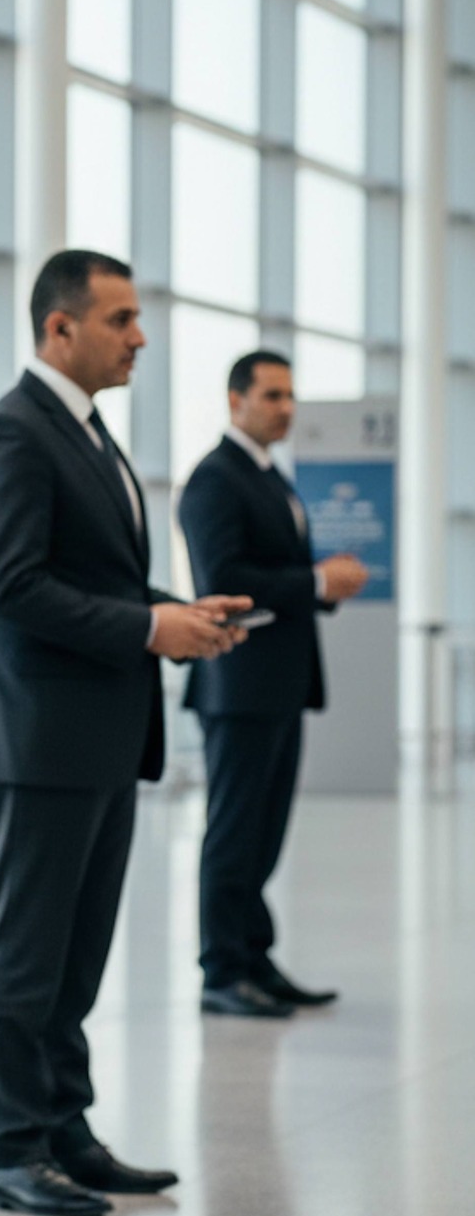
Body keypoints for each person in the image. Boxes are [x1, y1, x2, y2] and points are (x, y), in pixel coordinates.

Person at [0, 250, 250, 1216]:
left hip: (97, 733)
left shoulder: (82, 431)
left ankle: (62, 1126)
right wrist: (144, 627)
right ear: (58, 327)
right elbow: (13, 589)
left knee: (75, 952)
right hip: (39, 737)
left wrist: (175, 609)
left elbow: (96, 579)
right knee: (26, 950)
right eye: (120, 319)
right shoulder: (15, 428)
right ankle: (9, 1144)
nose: (140, 337)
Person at [177, 350, 368, 1017]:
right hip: (238, 685)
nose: (285, 408)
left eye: (290, 396)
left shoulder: (267, 476)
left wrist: (318, 581)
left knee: (262, 832)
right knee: (234, 832)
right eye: (271, 396)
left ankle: (253, 957)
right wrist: (316, 583)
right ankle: (221, 971)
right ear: (235, 401)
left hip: (276, 684)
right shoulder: (213, 479)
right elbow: (224, 578)